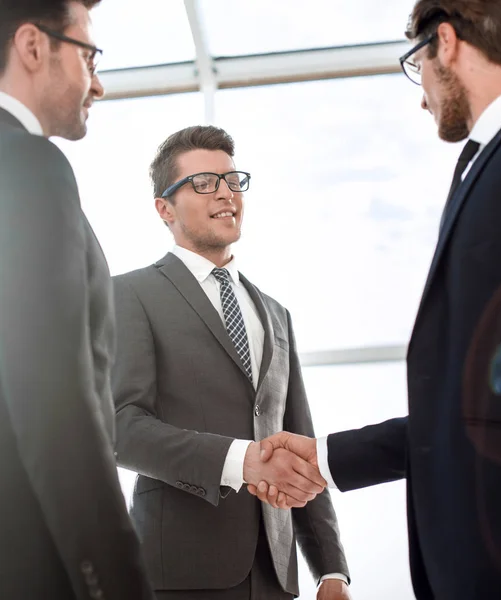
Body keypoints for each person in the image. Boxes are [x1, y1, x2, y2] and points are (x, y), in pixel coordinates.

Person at [250, 1, 501, 599]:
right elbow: (476, 409)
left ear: (445, 42)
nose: (422, 96)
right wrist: (325, 459)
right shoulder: (490, 161)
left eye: (415, 65)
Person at [112, 125, 351, 600]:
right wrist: (241, 461)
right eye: (203, 183)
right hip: (179, 571)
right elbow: (120, 428)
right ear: (165, 208)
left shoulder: (275, 313)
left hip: (277, 577)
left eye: (231, 180)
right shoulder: (129, 294)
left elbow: (300, 441)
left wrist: (330, 569)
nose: (225, 194)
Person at [0, 1, 155, 598]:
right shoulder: (30, 168)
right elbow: (53, 398)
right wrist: (116, 581)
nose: (99, 83)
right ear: (34, 48)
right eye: (89, 55)